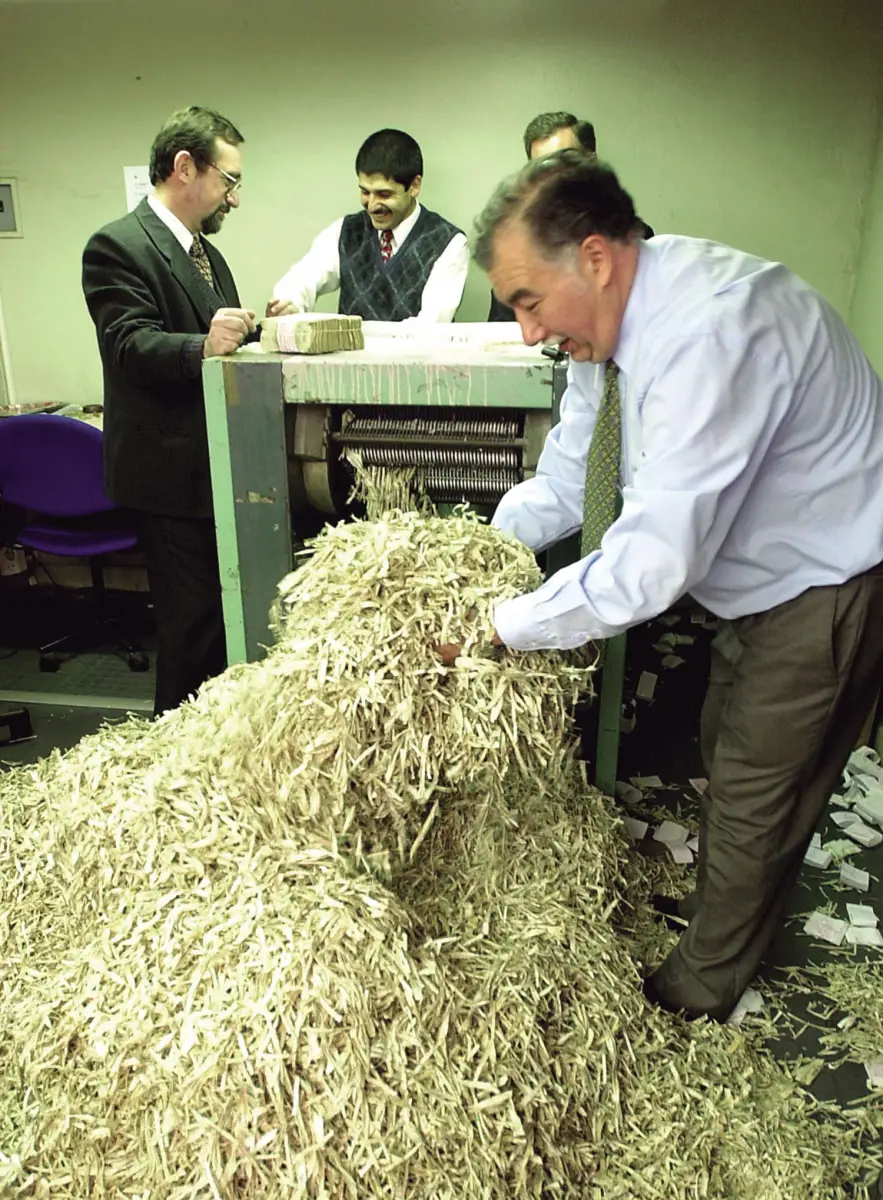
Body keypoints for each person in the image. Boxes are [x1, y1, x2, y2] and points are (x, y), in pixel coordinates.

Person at [443, 148, 883, 1022]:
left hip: (821, 584)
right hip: (750, 583)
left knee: (761, 788)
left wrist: (502, 627)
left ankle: (694, 997)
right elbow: (568, 479)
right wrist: (472, 554)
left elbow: (651, 562)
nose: (527, 331)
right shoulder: (598, 337)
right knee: (727, 752)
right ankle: (725, 918)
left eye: (528, 301)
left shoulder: (713, 330)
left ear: (596, 257)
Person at [82, 105, 256, 717]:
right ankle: (174, 762)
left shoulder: (207, 254)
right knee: (191, 629)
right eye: (229, 181)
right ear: (185, 167)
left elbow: (217, 341)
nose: (233, 198)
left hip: (214, 470)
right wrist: (204, 344)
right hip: (168, 475)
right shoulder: (118, 246)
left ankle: (211, 747)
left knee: (218, 619)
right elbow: (130, 344)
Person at [269, 129, 467, 324]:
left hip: (412, 356)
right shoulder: (345, 231)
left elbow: (429, 327)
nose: (372, 206)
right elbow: (303, 277)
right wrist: (289, 305)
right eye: (365, 192)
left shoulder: (449, 243)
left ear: (414, 186)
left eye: (384, 194)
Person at [488, 112, 653, 321]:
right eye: (543, 168)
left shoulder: (633, 237)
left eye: (566, 161)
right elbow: (501, 337)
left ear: (591, 162)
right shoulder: (515, 251)